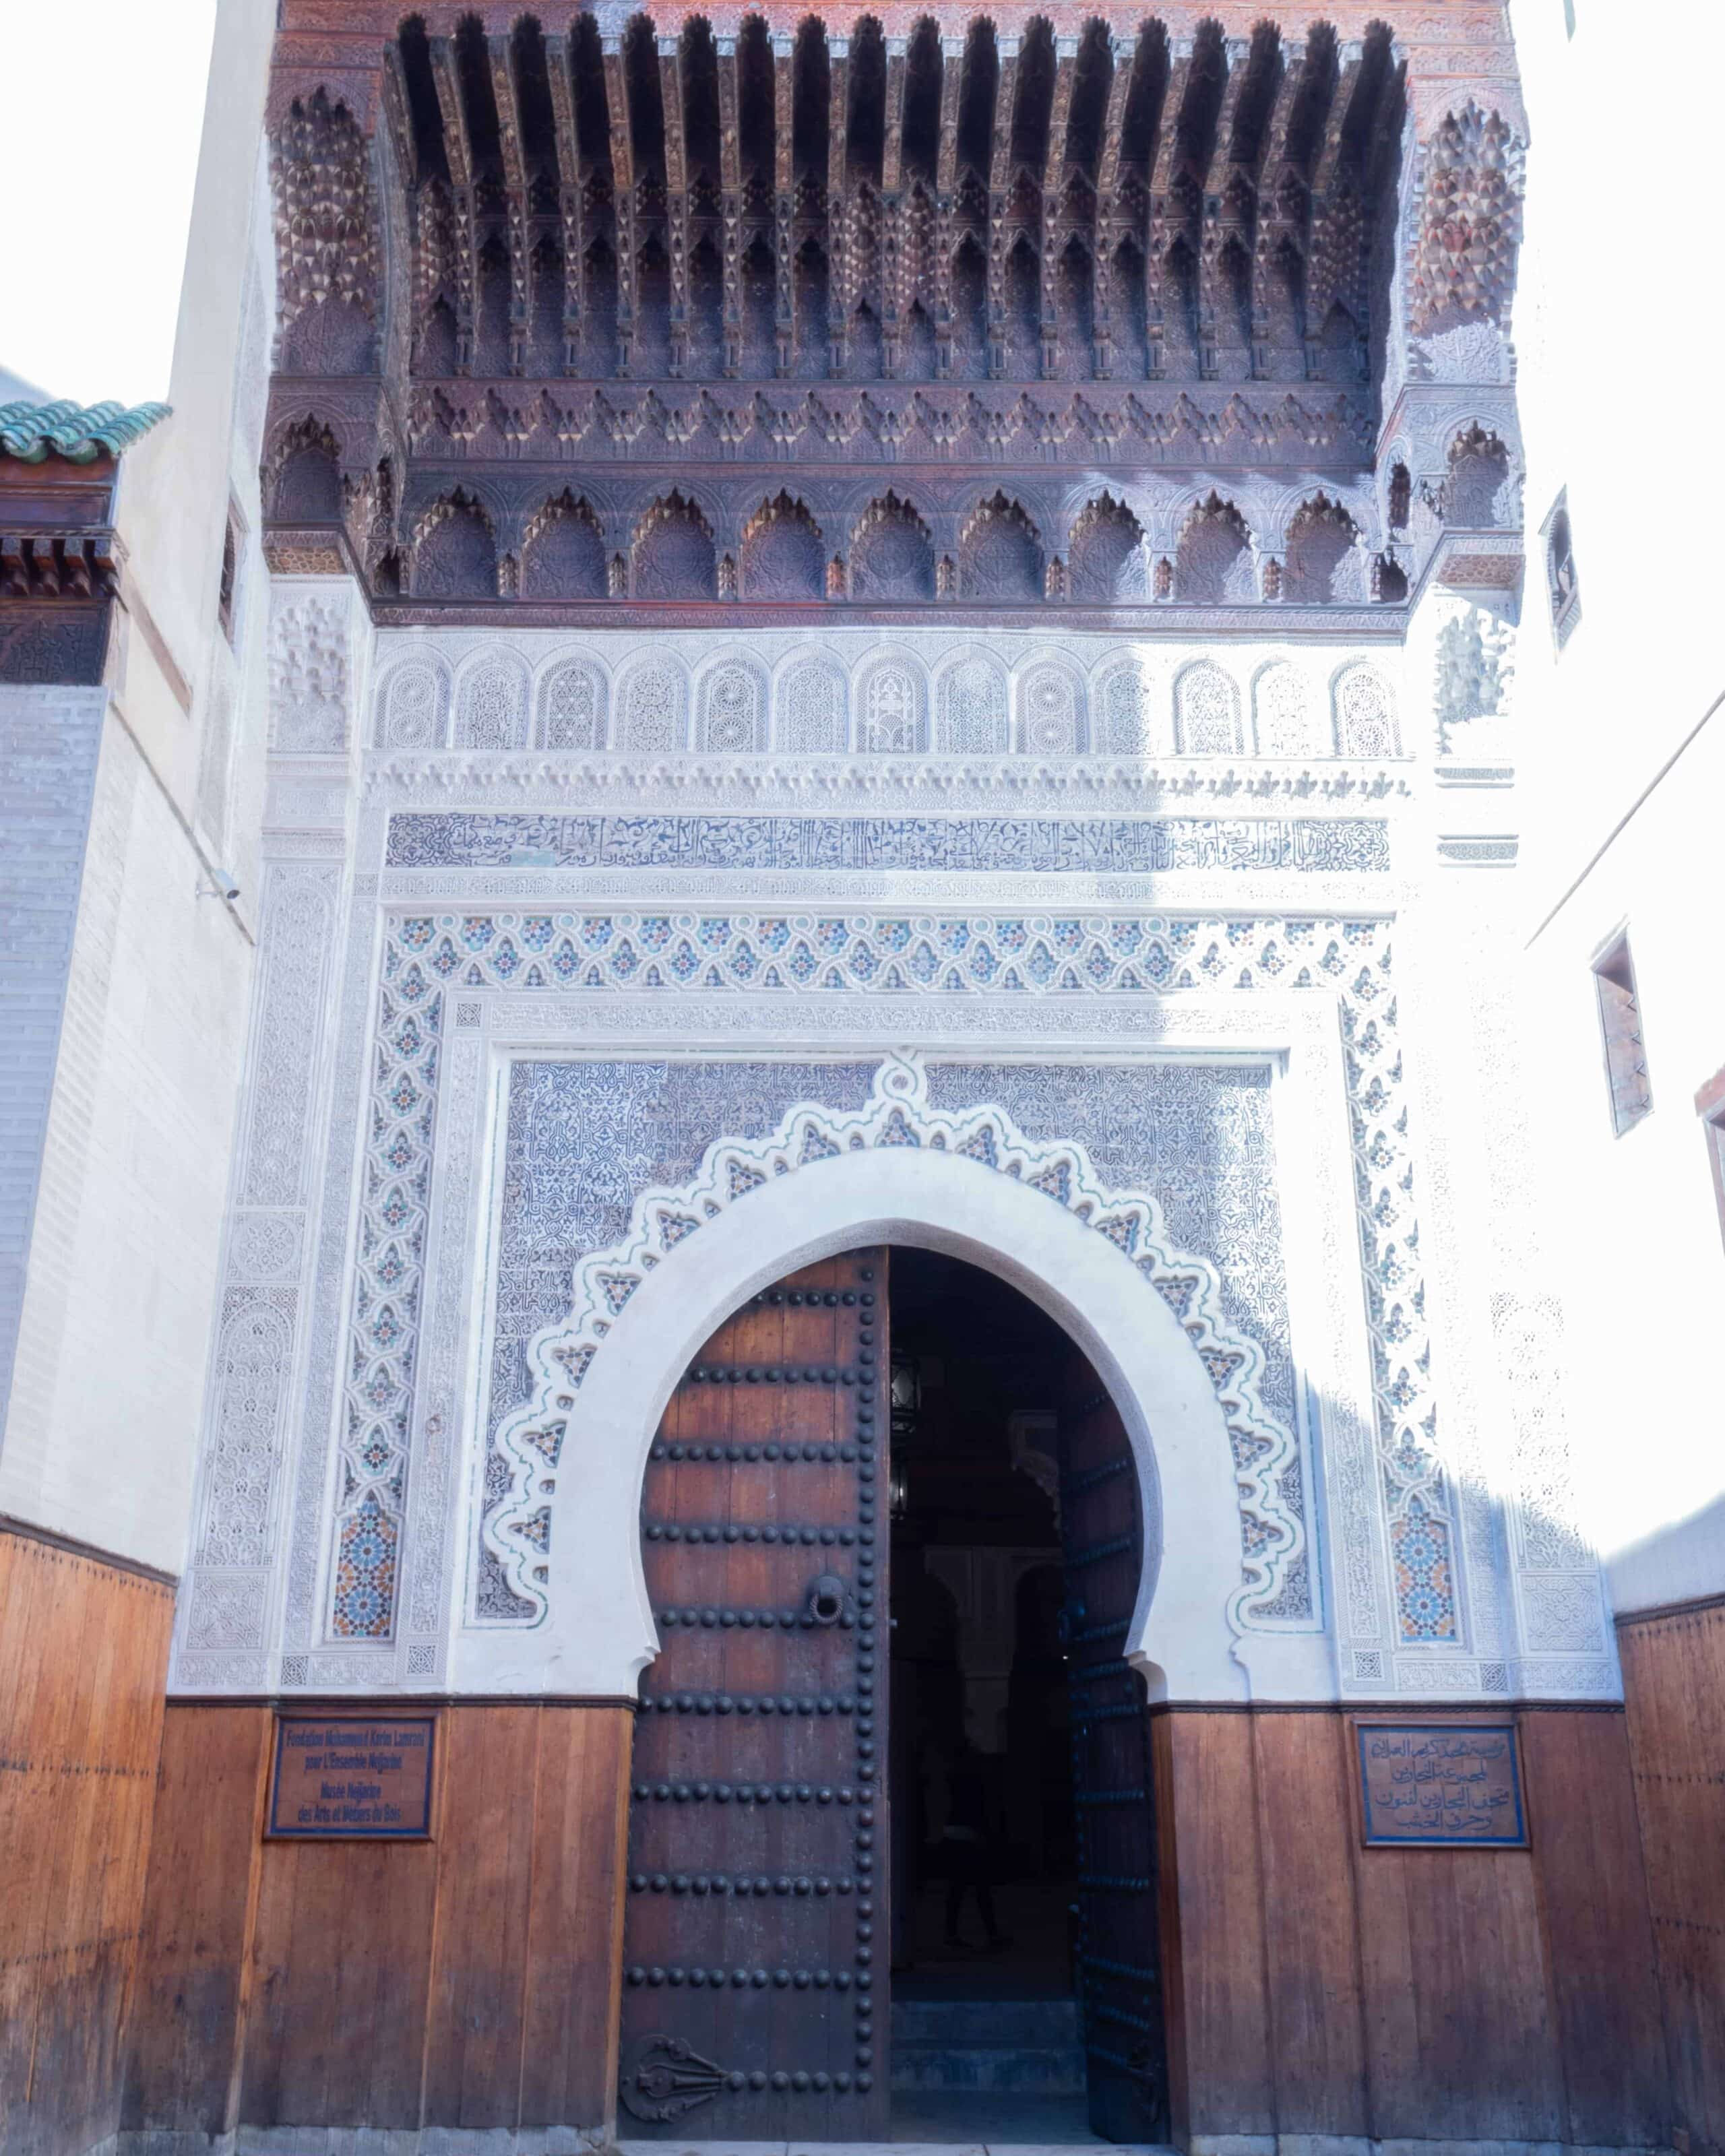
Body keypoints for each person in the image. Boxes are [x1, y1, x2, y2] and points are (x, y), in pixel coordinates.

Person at [939, 1742, 1008, 1952]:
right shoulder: (975, 1780)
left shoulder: (952, 1778)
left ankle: (951, 1933)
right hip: (970, 1835)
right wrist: (986, 1834)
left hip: (952, 1832)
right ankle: (992, 1934)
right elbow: (979, 1810)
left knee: (957, 1888)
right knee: (981, 1888)